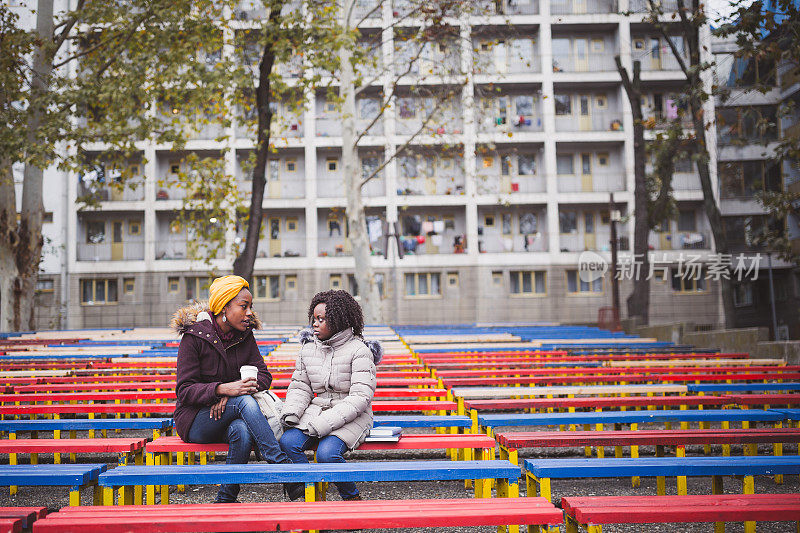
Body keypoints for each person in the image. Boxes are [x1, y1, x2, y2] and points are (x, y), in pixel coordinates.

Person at [171, 275, 303, 503]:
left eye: (251, 306)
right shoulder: (194, 338)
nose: (249, 312)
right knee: (243, 402)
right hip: (195, 419)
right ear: (224, 307)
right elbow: (185, 391)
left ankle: (226, 498)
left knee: (241, 431)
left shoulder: (245, 335)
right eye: (244, 306)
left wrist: (238, 389)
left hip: (231, 413)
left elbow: (264, 375)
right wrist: (222, 389)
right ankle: (280, 464)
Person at [279, 290, 383, 501]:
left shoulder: (359, 350)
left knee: (327, 454)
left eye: (322, 319)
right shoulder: (308, 350)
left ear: (338, 321)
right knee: (288, 442)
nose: (315, 324)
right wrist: (292, 412)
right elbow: (300, 387)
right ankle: (313, 494)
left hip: (352, 415)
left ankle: (352, 498)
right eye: (314, 319)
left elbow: (360, 398)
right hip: (317, 412)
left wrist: (324, 423)